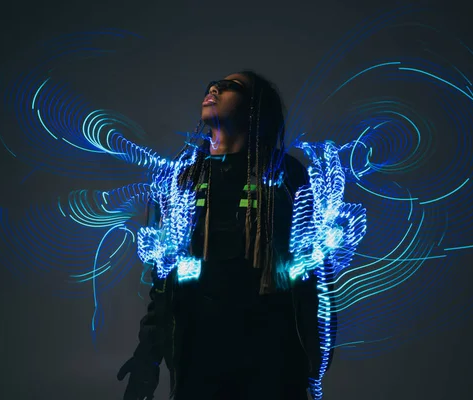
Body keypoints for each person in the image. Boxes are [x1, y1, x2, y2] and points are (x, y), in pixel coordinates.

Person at [117, 71, 334, 400]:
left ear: (255, 107)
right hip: (198, 354)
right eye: (212, 84)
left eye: (232, 86)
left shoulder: (288, 175)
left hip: (272, 355)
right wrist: (147, 356)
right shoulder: (182, 179)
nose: (213, 88)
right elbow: (163, 281)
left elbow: (312, 272)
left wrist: (314, 359)